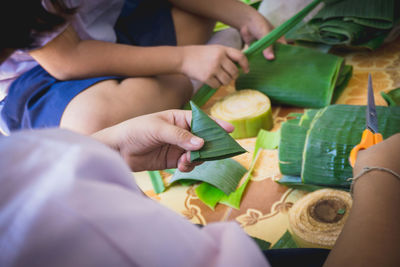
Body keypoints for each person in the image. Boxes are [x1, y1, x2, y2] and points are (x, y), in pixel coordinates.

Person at [0, 0, 277, 135]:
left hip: (114, 27)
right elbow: (69, 59)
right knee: (92, 127)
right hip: (42, 74)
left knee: (198, 13)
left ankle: (183, 72)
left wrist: (243, 14)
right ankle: (189, 79)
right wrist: (183, 59)